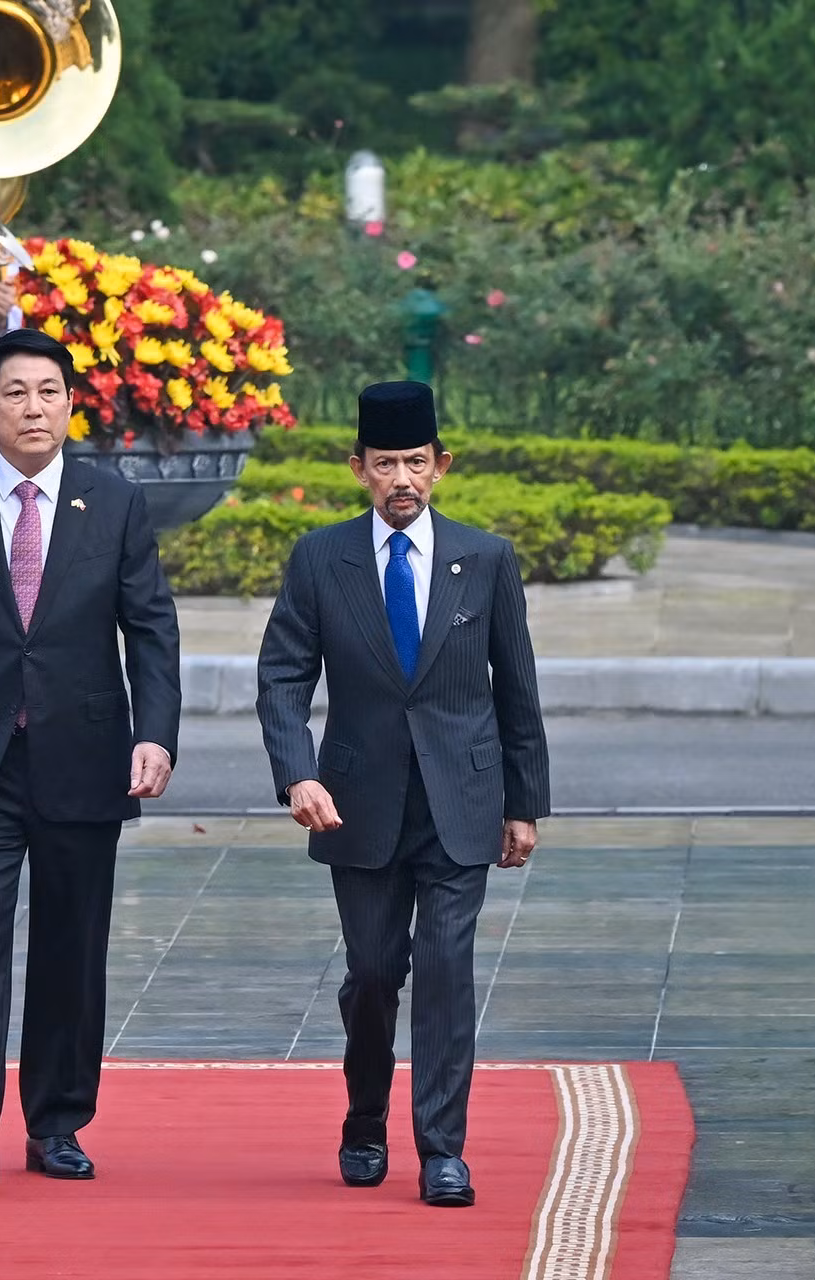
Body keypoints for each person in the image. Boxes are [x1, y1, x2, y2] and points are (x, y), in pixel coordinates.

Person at [0, 327, 182, 1190]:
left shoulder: (113, 502)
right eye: (15, 393)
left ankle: (56, 1124)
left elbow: (151, 628)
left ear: (70, 403)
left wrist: (154, 734)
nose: (34, 407)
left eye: (49, 391)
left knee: (69, 946)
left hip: (84, 759)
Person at [256, 380, 552, 1207]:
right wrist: (297, 771)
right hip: (357, 800)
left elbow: (517, 689)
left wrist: (524, 803)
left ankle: (443, 1151)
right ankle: (364, 1116)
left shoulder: (485, 558)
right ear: (358, 469)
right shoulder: (322, 559)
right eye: (385, 464)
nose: (402, 479)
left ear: (441, 466)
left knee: (448, 971)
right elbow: (282, 675)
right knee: (376, 972)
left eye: (415, 463)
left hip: (462, 798)